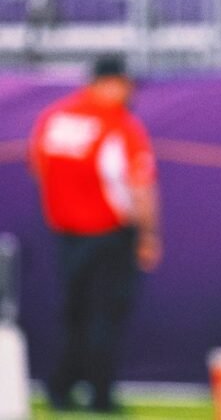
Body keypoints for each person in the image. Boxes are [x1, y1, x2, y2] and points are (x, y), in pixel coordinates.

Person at [28, 56, 162, 412]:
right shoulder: (119, 124)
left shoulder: (54, 117)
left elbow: (38, 167)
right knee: (104, 317)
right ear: (108, 83)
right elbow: (140, 186)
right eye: (125, 85)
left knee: (74, 315)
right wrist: (148, 235)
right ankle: (99, 394)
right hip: (109, 234)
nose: (129, 93)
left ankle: (60, 388)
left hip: (67, 235)